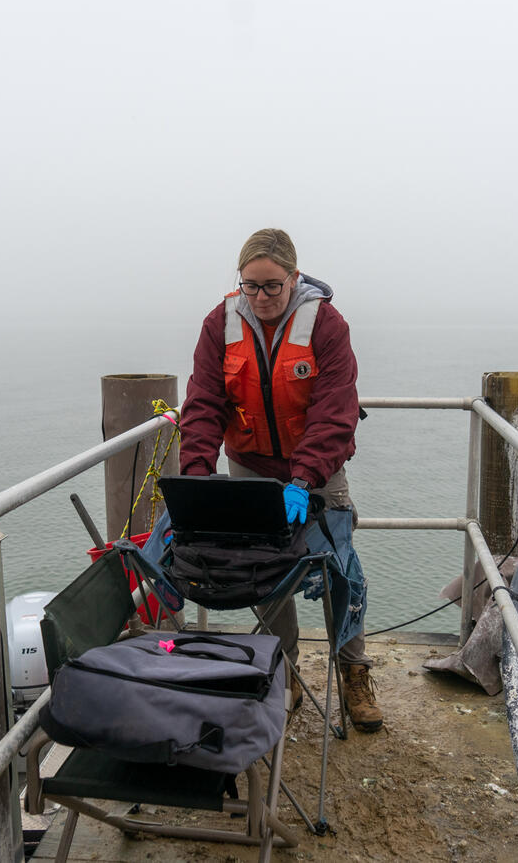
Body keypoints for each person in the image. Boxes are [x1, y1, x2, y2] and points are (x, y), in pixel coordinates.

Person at [178, 228, 382, 733]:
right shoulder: (219, 324)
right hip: (250, 468)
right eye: (251, 286)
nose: (262, 298)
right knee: (263, 574)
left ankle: (353, 672)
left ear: (294, 278)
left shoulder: (327, 325)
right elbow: (204, 402)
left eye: (272, 286)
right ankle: (285, 676)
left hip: (319, 471)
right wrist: (198, 476)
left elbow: (336, 411)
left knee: (339, 568)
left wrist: (304, 478)